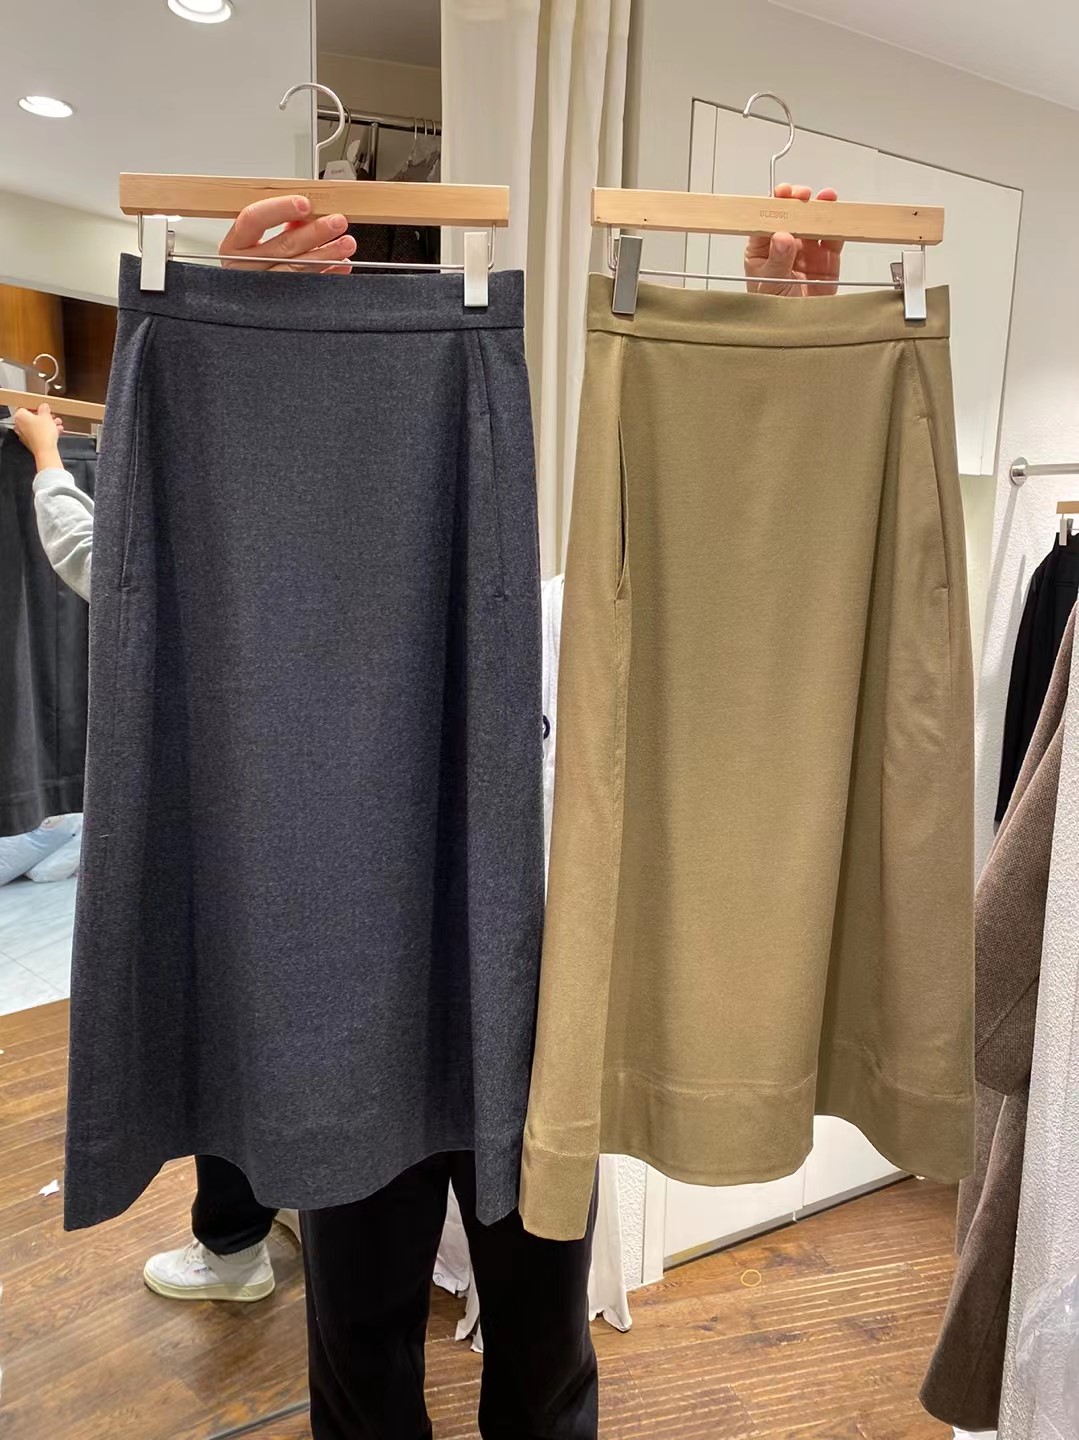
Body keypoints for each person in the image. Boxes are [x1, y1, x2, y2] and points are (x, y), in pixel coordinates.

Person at [18, 184, 842, 1436]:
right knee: (359, 1348)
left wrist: (783, 348)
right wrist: (242, 357)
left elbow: (725, 579)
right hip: (344, 1014)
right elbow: (160, 566)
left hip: (531, 1028)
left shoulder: (560, 611)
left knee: (542, 1349)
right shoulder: (300, 627)